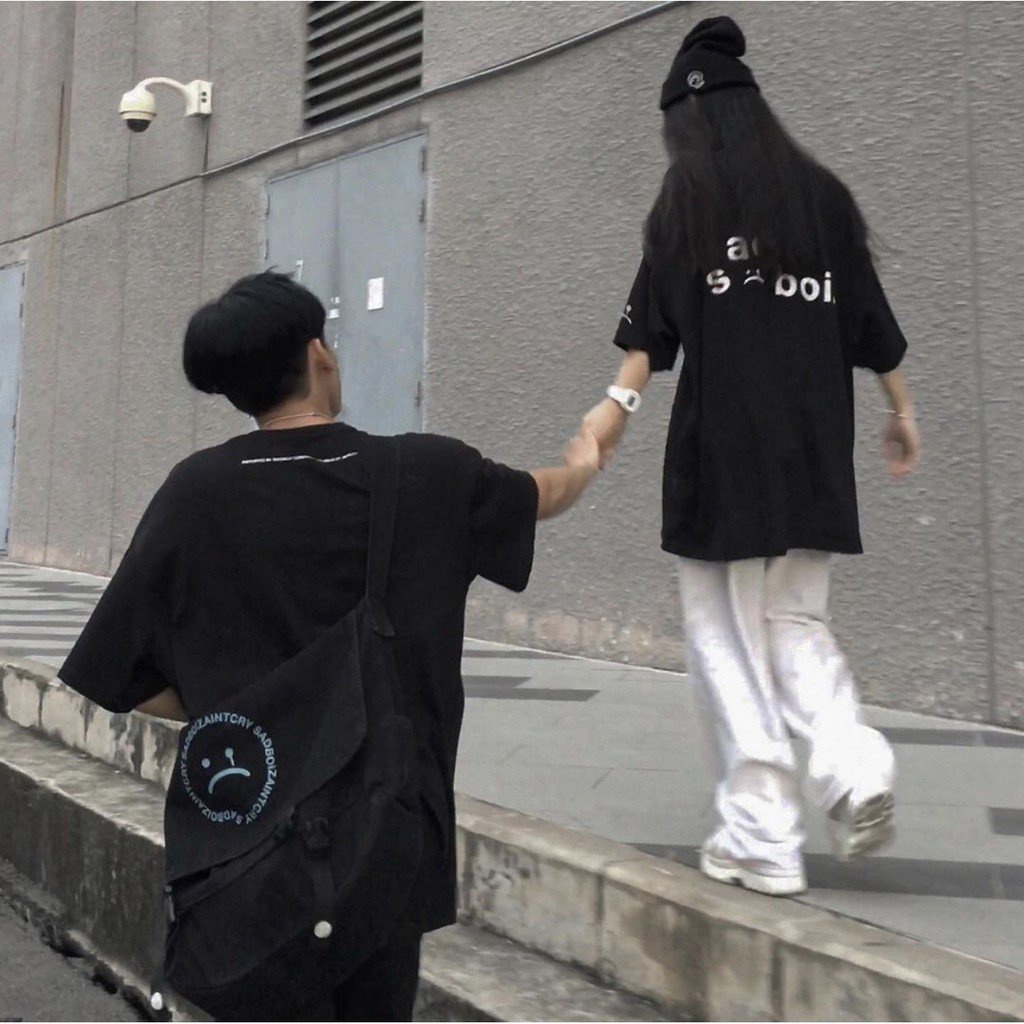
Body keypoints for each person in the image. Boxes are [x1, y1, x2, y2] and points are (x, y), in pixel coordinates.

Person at [58, 270, 600, 1020]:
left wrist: (244, 710)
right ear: (319, 354)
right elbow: (551, 491)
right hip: (386, 838)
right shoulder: (427, 473)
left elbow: (110, 671)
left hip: (248, 846)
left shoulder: (194, 492)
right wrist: (591, 449)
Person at [584, 16, 921, 897]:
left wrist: (613, 412)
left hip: (723, 456)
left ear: (685, 119)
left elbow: (649, 341)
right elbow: (872, 327)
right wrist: (903, 414)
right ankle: (853, 767)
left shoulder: (687, 199)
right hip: (814, 454)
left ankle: (760, 835)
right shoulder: (820, 197)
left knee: (725, 640)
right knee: (796, 623)